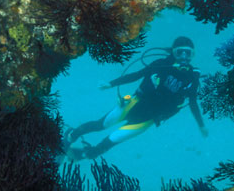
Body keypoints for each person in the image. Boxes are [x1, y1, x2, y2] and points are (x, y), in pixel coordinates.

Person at [63, 36, 208, 161]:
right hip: (133, 103)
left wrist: (201, 125)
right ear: (173, 52)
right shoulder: (160, 65)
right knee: (101, 125)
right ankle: (70, 135)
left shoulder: (192, 77)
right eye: (179, 52)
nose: (183, 56)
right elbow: (136, 75)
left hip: (150, 118)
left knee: (113, 139)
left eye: (188, 53)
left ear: (192, 55)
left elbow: (193, 102)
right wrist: (111, 84)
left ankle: (81, 155)